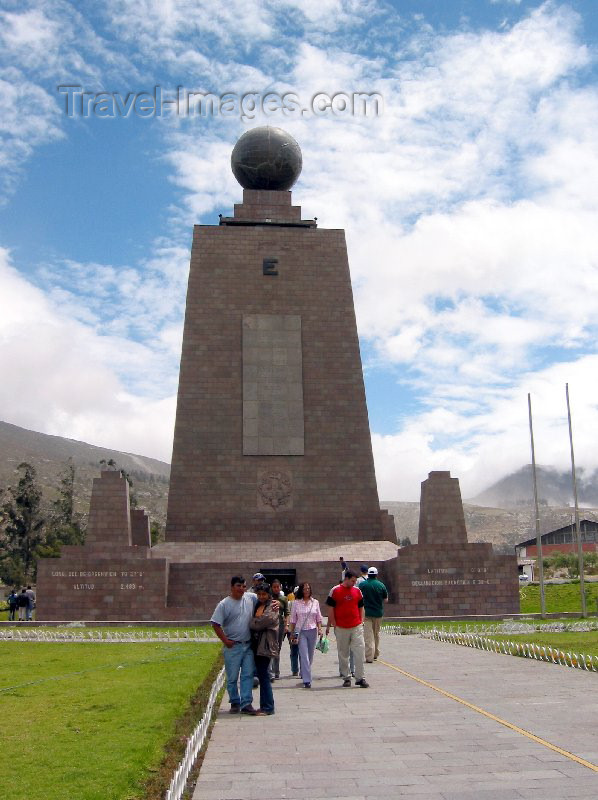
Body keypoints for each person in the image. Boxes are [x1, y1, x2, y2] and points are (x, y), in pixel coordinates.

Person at [211, 576, 261, 715]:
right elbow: (215, 624)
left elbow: (264, 599)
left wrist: (276, 603)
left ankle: (246, 703)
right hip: (233, 646)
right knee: (232, 677)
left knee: (247, 675)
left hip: (247, 645)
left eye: (244, 586)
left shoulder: (250, 598)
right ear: (232, 587)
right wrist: (225, 641)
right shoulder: (224, 604)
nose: (241, 589)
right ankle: (234, 701)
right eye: (238, 586)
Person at [325, 571, 369, 688]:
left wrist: (361, 621)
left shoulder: (357, 591)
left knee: (359, 651)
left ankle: (360, 677)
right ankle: (346, 677)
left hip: (356, 626)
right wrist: (334, 623)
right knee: (343, 653)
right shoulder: (335, 590)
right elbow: (330, 608)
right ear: (347, 579)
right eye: (353, 581)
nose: (354, 583)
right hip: (341, 627)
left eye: (355, 581)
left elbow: (361, 607)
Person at [249, 583, 280, 715]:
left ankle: (268, 707)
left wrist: (251, 622)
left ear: (269, 595)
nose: (261, 596)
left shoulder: (272, 606)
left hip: (266, 645)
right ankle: (265, 706)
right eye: (259, 594)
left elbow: (262, 622)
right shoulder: (259, 605)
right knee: (262, 675)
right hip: (257, 644)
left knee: (264, 675)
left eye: (264, 594)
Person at [289, 582, 323, 689]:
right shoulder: (296, 603)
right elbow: (293, 619)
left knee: (310, 655)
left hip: (312, 630)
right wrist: (292, 632)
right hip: (301, 631)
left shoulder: (315, 602)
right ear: (301, 590)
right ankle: (307, 680)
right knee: (304, 655)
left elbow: (318, 617)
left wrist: (320, 629)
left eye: (308, 588)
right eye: (304, 589)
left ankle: (304, 672)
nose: (307, 590)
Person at [360, 566, 389, 662]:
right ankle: (375, 653)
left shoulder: (362, 585)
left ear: (368, 574)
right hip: (378, 613)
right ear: (376, 575)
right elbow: (386, 599)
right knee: (376, 634)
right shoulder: (381, 585)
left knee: (368, 636)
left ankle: (369, 656)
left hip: (366, 613)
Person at [269, 578, 288, 680]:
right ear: (271, 588)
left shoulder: (284, 599)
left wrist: (286, 625)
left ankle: (276, 671)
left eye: (278, 587)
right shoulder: (268, 598)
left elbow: (287, 612)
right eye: (274, 587)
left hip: (280, 625)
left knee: (278, 648)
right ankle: (271, 672)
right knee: (271, 647)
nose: (276, 589)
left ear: (280, 587)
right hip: (270, 625)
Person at [287, 585, 300, 676]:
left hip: (303, 630)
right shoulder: (290, 604)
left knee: (303, 651)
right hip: (293, 630)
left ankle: (304, 669)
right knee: (294, 650)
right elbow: (288, 615)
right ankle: (295, 669)